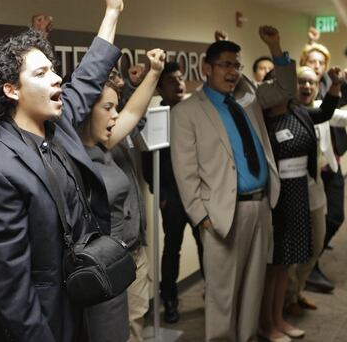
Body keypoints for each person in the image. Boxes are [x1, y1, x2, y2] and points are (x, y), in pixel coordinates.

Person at [0, 0, 126, 342]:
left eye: (52, 69)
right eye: (40, 74)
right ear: (11, 90)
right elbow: (12, 284)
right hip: (42, 316)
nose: (56, 78)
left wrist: (112, 11)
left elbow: (91, 72)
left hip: (82, 296)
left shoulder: (60, 123)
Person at [170, 25, 297, 342]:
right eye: (225, 64)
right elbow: (185, 171)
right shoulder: (188, 112)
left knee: (253, 290)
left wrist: (275, 45)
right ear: (207, 69)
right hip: (223, 214)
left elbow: (285, 88)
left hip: (260, 207)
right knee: (222, 296)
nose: (233, 72)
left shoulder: (249, 97)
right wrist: (202, 216)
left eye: (236, 65)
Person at [79, 50, 164, 342]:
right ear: (85, 109)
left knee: (135, 324)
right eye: (107, 108)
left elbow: (133, 113)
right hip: (103, 262)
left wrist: (154, 72)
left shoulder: (106, 142)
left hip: (132, 252)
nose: (116, 114)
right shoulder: (71, 155)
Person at [259, 66, 340, 342]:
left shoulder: (299, 112)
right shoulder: (261, 120)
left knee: (286, 262)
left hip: (299, 195)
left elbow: (327, 112)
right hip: (275, 199)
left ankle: (279, 318)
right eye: (277, 84)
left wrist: (335, 85)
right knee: (272, 264)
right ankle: (265, 323)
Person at [285, 66, 347, 315]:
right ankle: (288, 298)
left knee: (315, 246)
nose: (306, 87)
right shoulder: (284, 111)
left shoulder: (323, 110)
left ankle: (296, 290)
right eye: (301, 82)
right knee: (290, 251)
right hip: (291, 193)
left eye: (311, 82)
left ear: (318, 86)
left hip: (316, 189)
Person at [141, 61, 203, 324]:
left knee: (207, 247)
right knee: (172, 250)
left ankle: (214, 293)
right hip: (174, 198)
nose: (178, 84)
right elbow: (148, 162)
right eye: (171, 81)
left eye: (180, 78)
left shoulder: (195, 112)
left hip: (199, 195)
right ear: (159, 88)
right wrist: (162, 195)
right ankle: (170, 300)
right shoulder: (157, 118)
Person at [299, 41, 347, 292]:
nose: (317, 67)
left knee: (335, 216)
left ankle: (311, 263)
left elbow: (344, 103)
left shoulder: (329, 87)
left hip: (331, 163)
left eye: (321, 63)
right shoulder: (298, 93)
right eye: (312, 62)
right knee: (311, 224)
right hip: (308, 172)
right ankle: (308, 271)